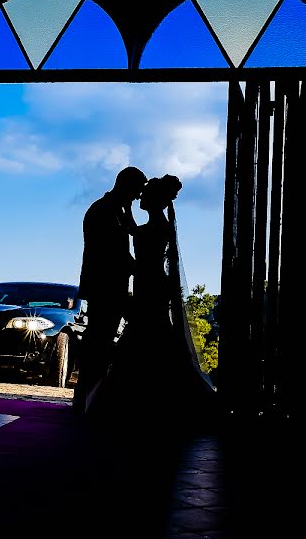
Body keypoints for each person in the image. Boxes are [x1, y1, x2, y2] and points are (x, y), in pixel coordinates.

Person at [85, 174, 219, 430]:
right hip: (150, 284)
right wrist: (125, 210)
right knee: (152, 336)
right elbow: (134, 231)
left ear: (155, 200)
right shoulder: (157, 225)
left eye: (144, 196)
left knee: (144, 335)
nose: (140, 198)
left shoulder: (155, 228)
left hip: (150, 285)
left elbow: (137, 244)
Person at [72, 166, 147, 413]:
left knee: (101, 342)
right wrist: (142, 269)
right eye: (136, 191)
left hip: (110, 287)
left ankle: (91, 396)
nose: (137, 197)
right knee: (98, 342)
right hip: (104, 288)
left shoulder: (115, 210)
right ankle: (88, 397)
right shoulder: (102, 211)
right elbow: (111, 252)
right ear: (125, 185)